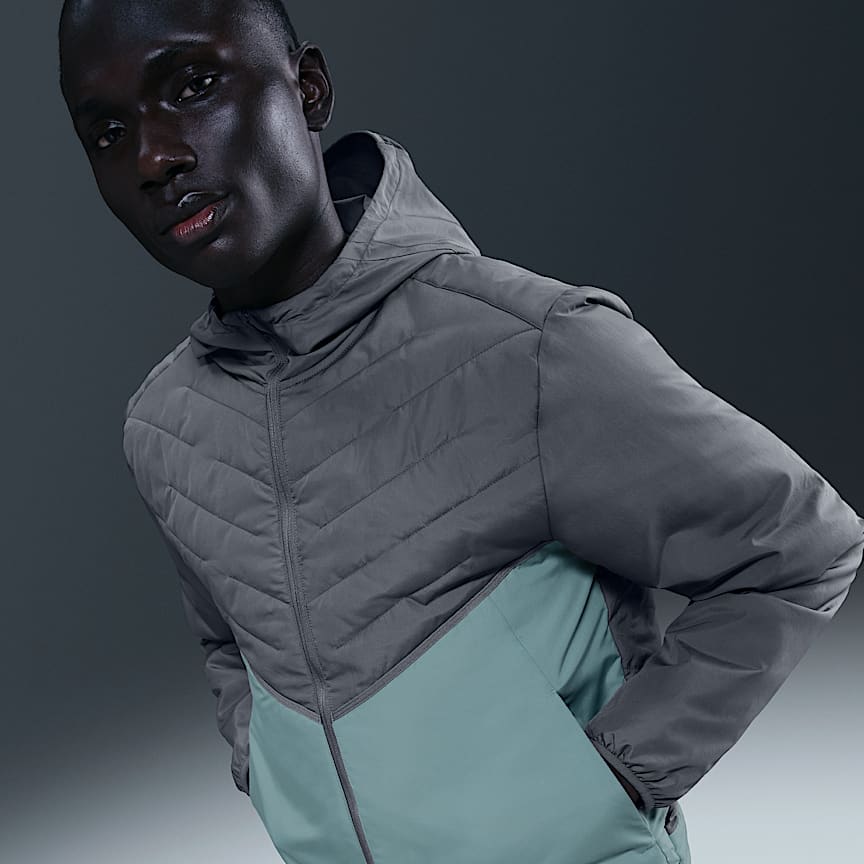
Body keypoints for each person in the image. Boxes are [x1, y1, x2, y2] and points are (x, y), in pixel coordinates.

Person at [58, 2, 864, 863]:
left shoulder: (529, 348)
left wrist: (608, 783)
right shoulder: (165, 425)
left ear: (309, 88)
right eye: (107, 133)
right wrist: (268, 768)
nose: (153, 158)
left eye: (193, 86)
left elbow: (797, 546)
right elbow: (228, 643)